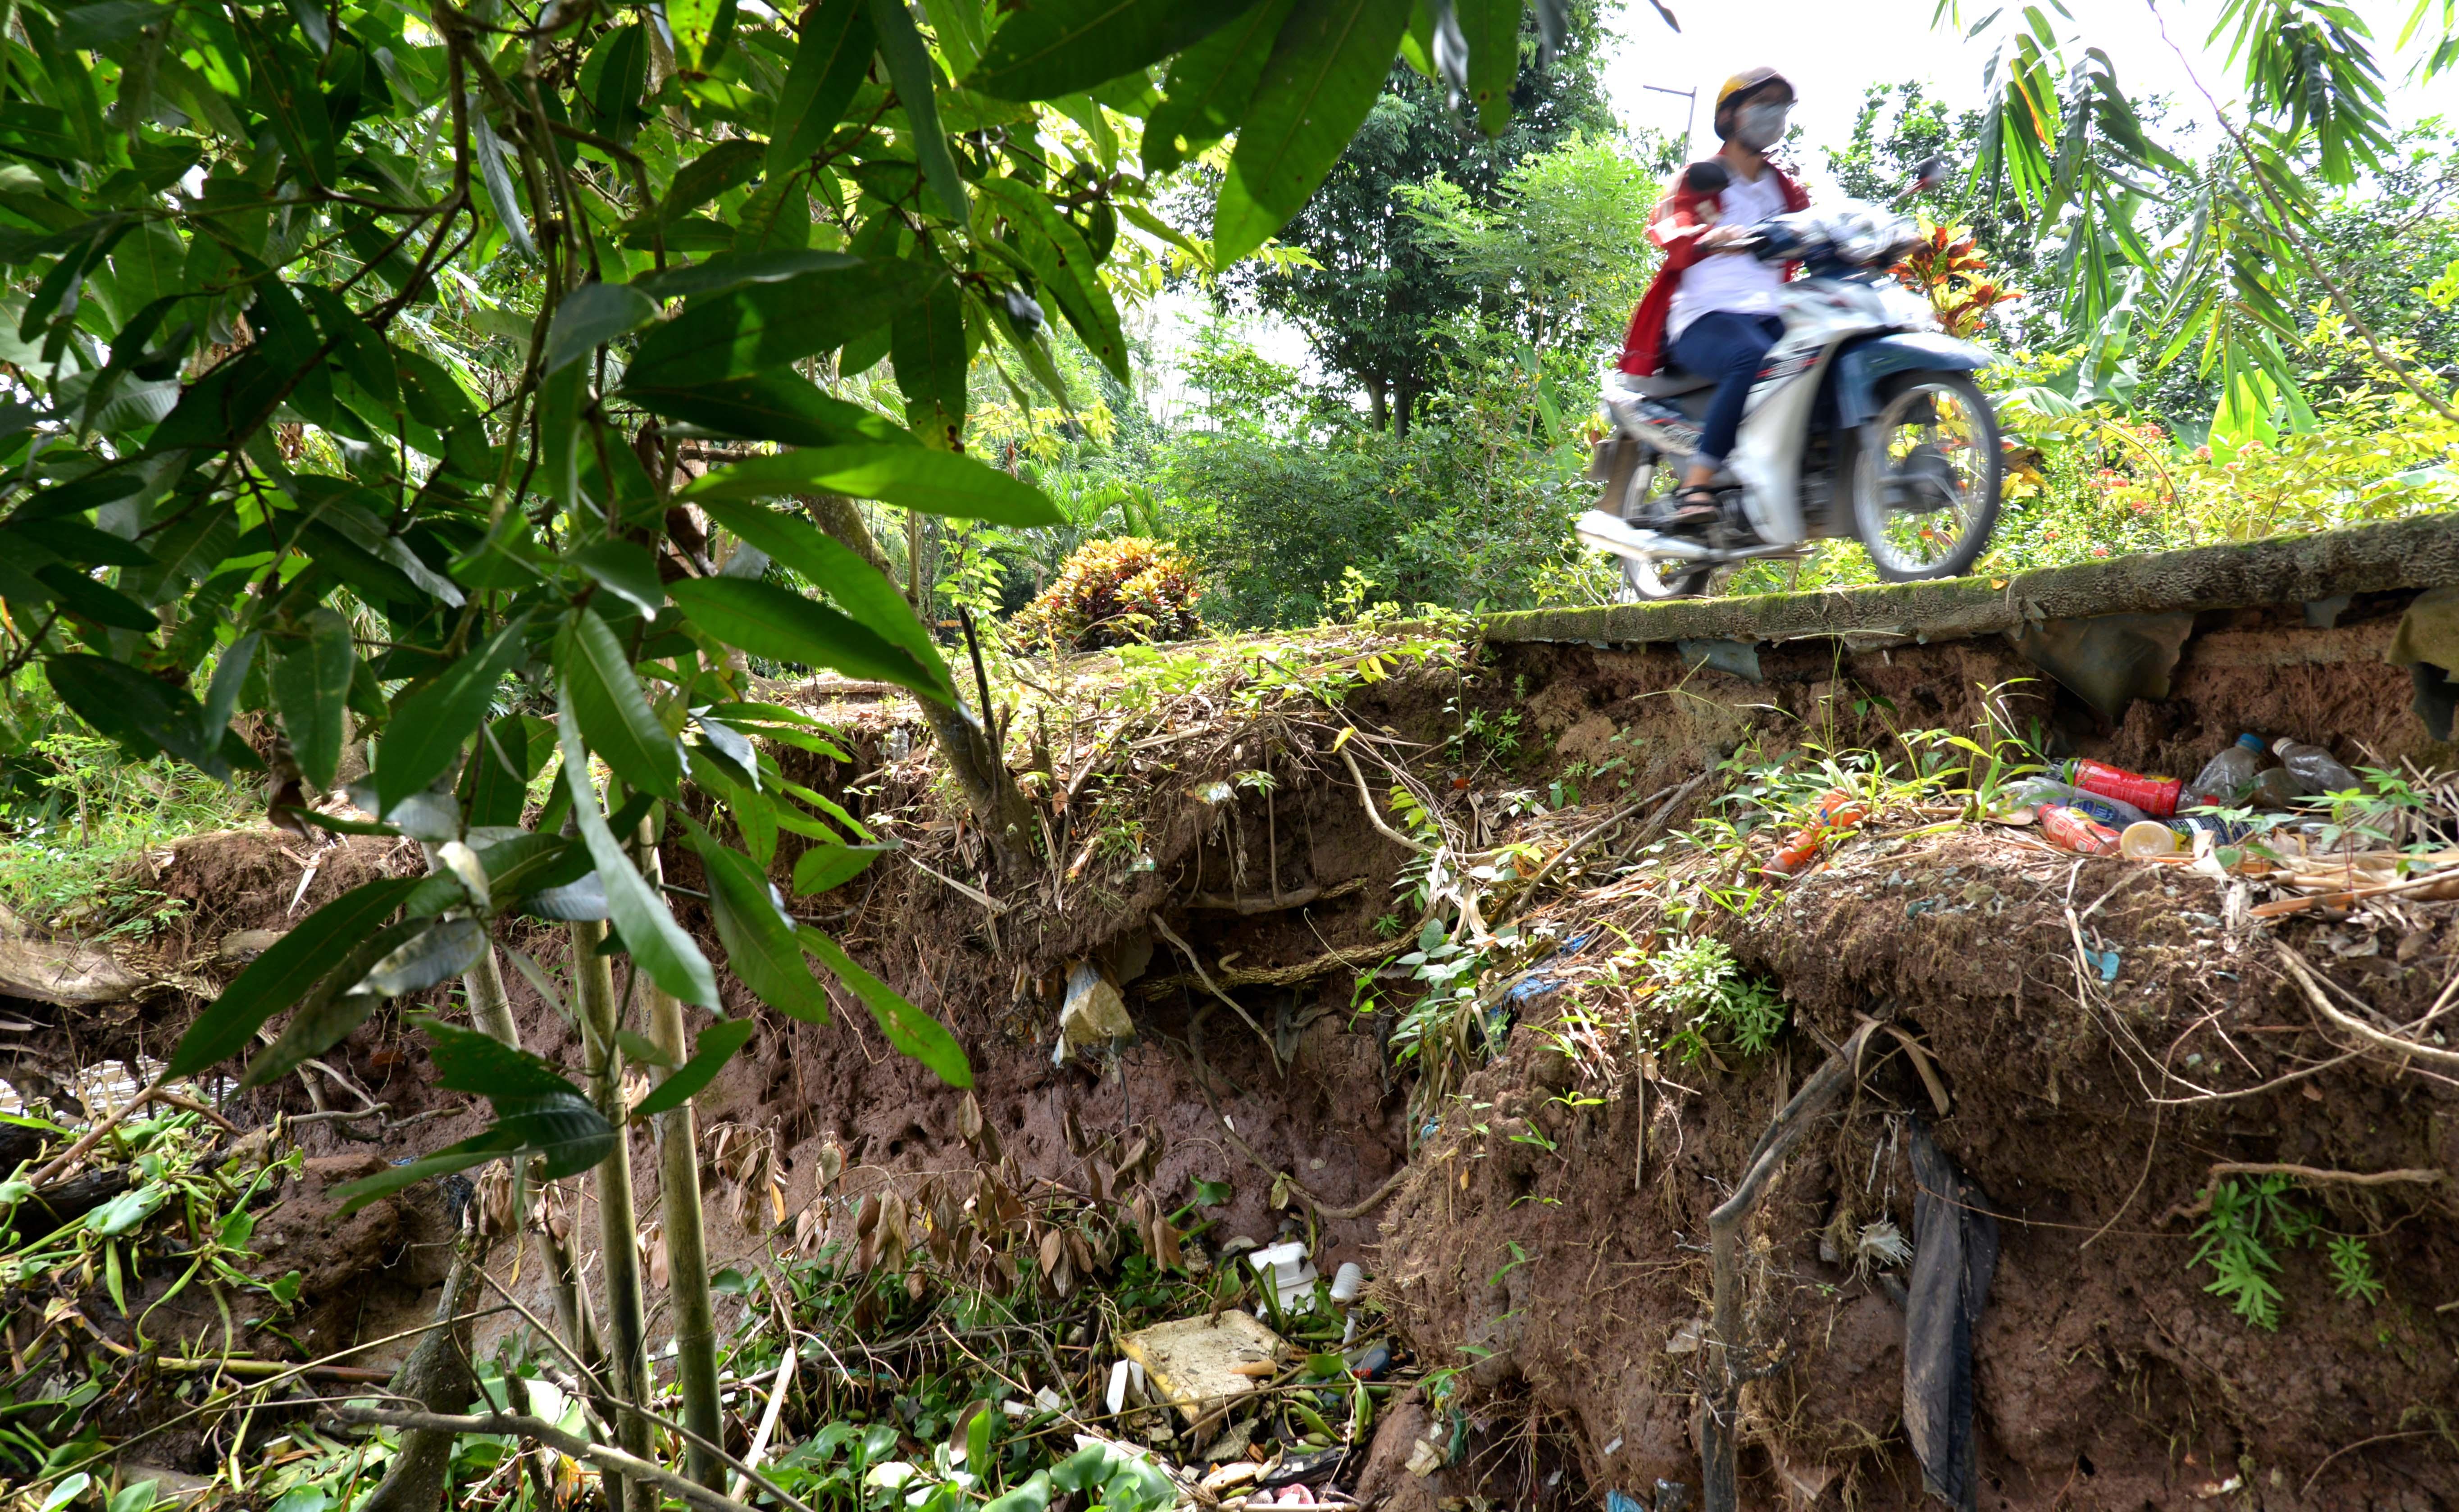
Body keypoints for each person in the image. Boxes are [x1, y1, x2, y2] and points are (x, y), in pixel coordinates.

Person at [1617, 68, 1810, 522]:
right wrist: (1707, 237)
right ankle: (1696, 485)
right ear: (1729, 115)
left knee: (1825, 347)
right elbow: (1669, 226)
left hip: (1772, 313)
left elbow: (1817, 230)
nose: (1773, 113)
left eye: (1780, 105)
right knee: (1753, 357)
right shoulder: (1699, 177)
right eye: (1762, 102)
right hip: (1705, 317)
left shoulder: (1786, 189)